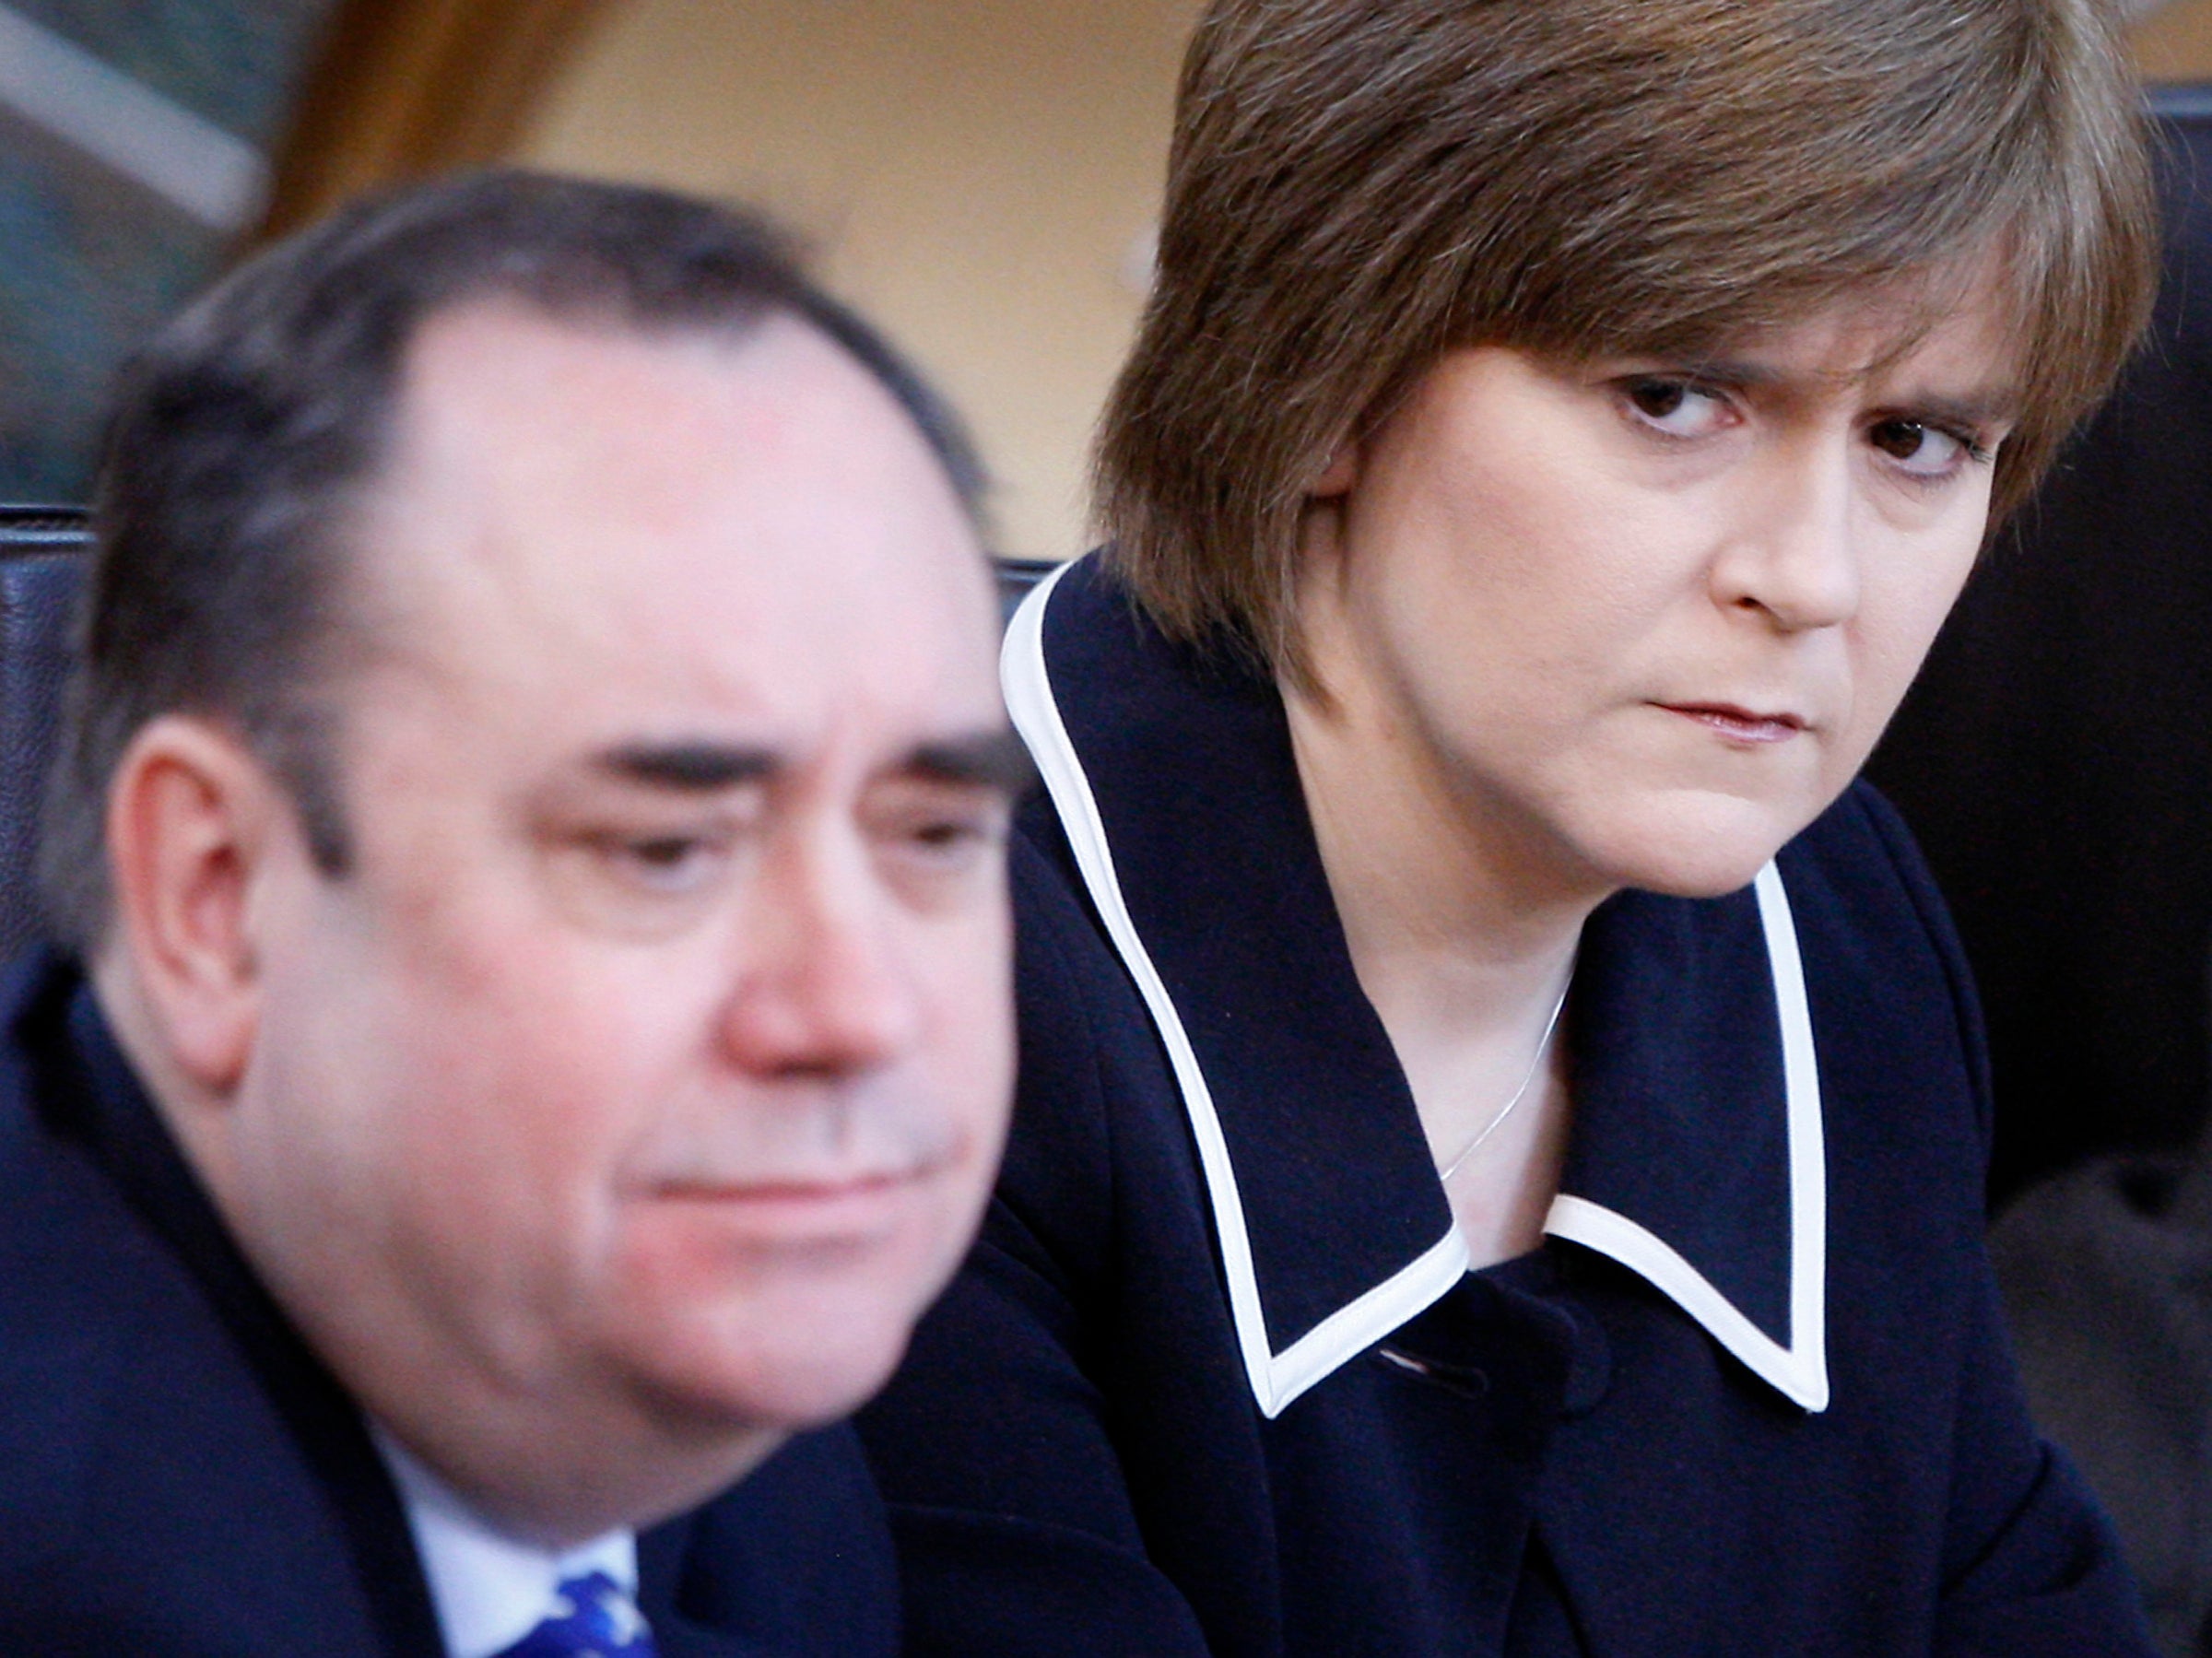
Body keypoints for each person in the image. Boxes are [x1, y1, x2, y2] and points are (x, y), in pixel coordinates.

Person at [855, 0, 2165, 1651]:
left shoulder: (1833, 927)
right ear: (1319, 370)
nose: (1814, 578)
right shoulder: (899, 961)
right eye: (1676, 398)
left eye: (1918, 441)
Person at [0, 171, 1026, 1654]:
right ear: (216, 897)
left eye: (934, 832)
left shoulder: (715, 1432)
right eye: (666, 851)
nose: (860, 1009)